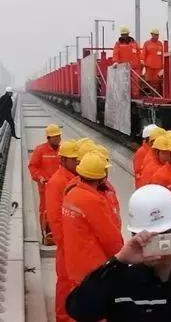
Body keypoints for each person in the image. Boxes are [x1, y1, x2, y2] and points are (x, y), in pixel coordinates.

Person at [66, 184, 171, 321]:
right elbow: (79, 310)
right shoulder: (120, 279)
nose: (159, 243)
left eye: (165, 234)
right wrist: (117, 260)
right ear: (135, 237)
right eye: (150, 237)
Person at [62, 152, 124, 286]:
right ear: (101, 177)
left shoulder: (71, 193)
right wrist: (122, 257)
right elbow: (109, 238)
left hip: (75, 263)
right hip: (93, 267)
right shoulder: (93, 200)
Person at [45, 140, 79, 322]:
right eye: (74, 160)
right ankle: (62, 317)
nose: (77, 163)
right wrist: (66, 244)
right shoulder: (57, 182)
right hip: (67, 245)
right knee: (65, 283)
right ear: (63, 160)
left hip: (73, 244)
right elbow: (55, 218)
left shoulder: (73, 179)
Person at [29, 123, 62, 245]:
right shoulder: (40, 150)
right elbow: (33, 166)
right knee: (45, 211)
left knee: (60, 211)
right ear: (48, 138)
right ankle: (46, 235)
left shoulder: (63, 150)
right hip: (46, 188)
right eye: (55, 136)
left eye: (59, 136)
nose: (58, 139)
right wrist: (40, 177)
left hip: (60, 188)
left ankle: (58, 234)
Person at [112, 26, 141, 96]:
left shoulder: (134, 43)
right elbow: (115, 53)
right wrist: (115, 62)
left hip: (134, 66)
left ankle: (135, 96)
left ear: (128, 34)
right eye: (123, 35)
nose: (124, 36)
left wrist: (140, 62)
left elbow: (138, 53)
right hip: (123, 67)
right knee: (124, 82)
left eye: (125, 34)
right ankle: (124, 96)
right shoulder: (118, 43)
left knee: (135, 82)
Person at [141, 29, 165, 94]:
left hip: (158, 66)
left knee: (157, 81)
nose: (157, 36)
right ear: (152, 35)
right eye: (155, 35)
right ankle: (150, 93)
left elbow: (162, 55)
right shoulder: (147, 43)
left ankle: (156, 94)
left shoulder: (160, 44)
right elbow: (143, 53)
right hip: (149, 66)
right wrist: (142, 60)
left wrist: (163, 64)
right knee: (149, 80)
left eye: (157, 35)